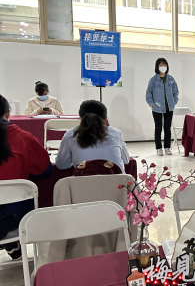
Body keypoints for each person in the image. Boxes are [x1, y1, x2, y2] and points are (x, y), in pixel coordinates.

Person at [0, 94, 51, 259]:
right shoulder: (24, 138)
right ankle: (10, 242)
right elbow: (44, 170)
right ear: (8, 113)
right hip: (20, 217)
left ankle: (9, 243)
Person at [55, 100, 129, 173]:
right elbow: (126, 160)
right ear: (105, 118)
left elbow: (61, 165)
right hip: (117, 183)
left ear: (80, 118)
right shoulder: (116, 133)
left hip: (83, 183)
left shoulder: (71, 134)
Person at [146, 58, 179, 156]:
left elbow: (176, 92)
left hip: (169, 108)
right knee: (158, 128)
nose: (163, 67)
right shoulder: (153, 80)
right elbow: (148, 93)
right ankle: (159, 148)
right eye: (161, 65)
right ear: (157, 67)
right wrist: (152, 104)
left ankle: (167, 147)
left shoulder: (171, 79)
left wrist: (174, 101)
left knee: (167, 129)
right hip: (157, 108)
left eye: (164, 65)